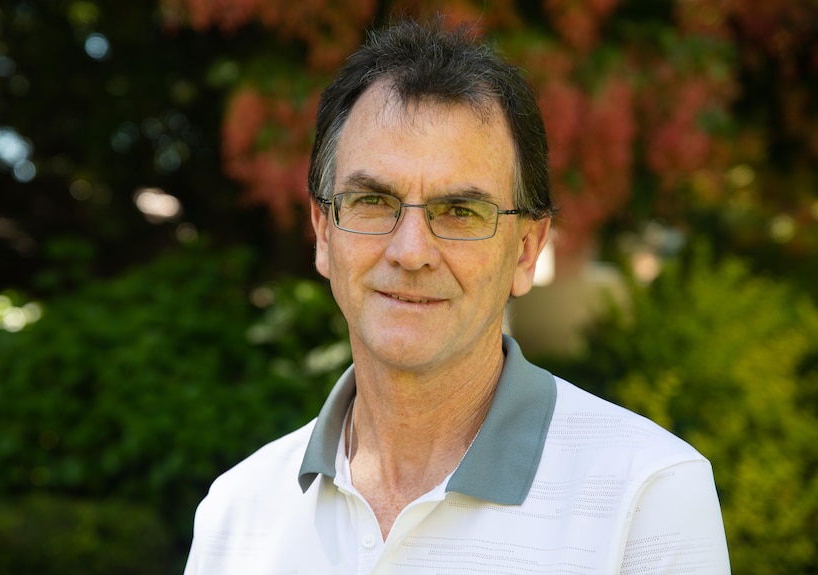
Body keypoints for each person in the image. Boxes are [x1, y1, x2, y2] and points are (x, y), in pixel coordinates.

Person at [184, 18, 730, 574]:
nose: (410, 251)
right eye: (373, 200)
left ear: (525, 250)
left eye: (461, 211)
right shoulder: (238, 514)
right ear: (324, 232)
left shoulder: (649, 496)